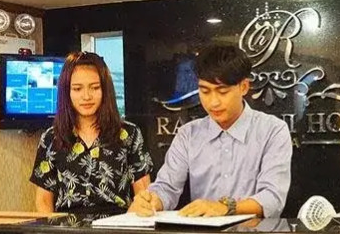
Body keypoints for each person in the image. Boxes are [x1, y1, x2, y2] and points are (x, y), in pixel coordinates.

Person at [128, 45, 292, 218]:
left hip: (256, 233)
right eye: (205, 91)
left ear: (244, 87)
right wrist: (152, 201)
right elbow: (167, 188)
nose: (213, 102)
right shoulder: (188, 134)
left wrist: (226, 207)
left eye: (222, 92)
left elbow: (273, 198)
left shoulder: (273, 130)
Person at [31, 52, 153, 213]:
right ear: (66, 92)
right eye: (77, 89)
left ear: (105, 90)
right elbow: (43, 201)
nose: (86, 96)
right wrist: (49, 228)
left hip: (118, 224)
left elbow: (144, 194)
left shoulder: (129, 134)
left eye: (95, 88)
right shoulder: (51, 138)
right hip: (66, 226)